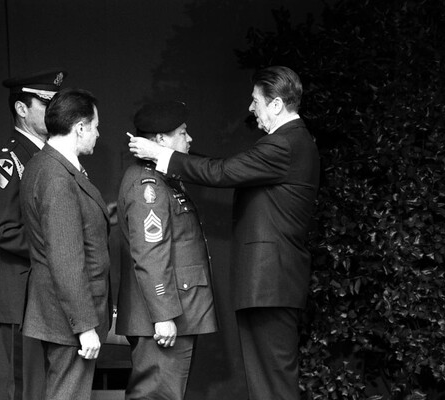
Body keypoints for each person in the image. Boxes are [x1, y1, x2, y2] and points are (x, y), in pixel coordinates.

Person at [128, 66, 320, 400]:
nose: (250, 108)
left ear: (275, 105)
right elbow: (223, 167)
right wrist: (170, 157)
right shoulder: (289, 143)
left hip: (270, 283)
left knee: (272, 380)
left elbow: (224, 172)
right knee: (267, 379)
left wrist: (162, 155)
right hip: (271, 283)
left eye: (255, 101)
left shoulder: (284, 144)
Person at [116, 101, 218, 400]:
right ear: (160, 140)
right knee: (155, 396)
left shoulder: (162, 178)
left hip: (176, 310)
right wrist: (163, 315)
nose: (189, 139)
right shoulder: (148, 184)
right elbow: (151, 252)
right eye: (182, 132)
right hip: (162, 315)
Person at [19, 88, 112, 400]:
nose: (98, 134)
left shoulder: (40, 164)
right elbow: (66, 257)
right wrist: (85, 326)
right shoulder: (59, 177)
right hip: (68, 317)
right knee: (69, 394)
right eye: (96, 126)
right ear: (80, 127)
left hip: (57, 310)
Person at [0, 68, 65, 400]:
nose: (55, 113)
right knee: (29, 389)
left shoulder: (53, 159)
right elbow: (4, 231)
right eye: (46, 104)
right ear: (21, 108)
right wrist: (60, 248)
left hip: (54, 294)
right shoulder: (9, 160)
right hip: (24, 295)